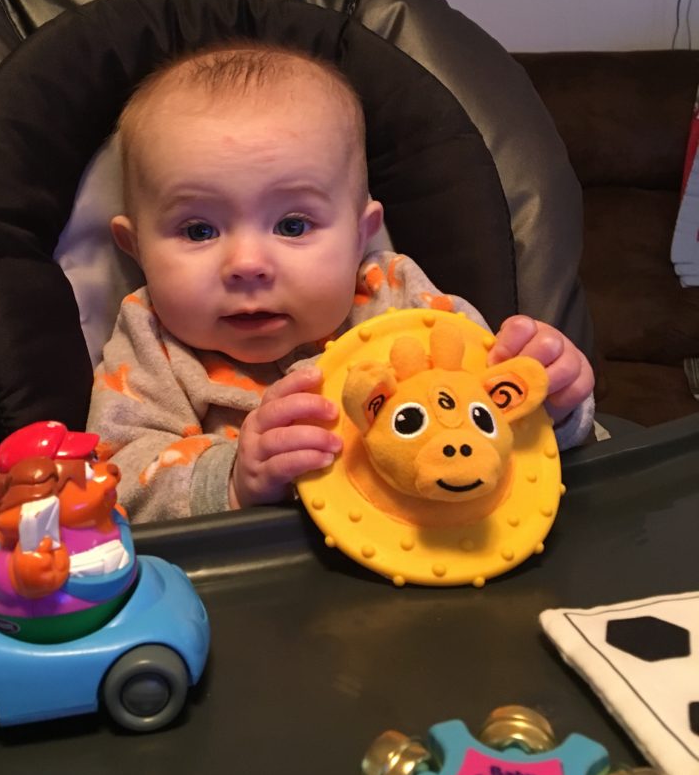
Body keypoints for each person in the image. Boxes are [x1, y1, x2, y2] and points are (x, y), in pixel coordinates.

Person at [87, 43, 594, 522]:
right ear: (136, 250)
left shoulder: (398, 298)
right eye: (199, 230)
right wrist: (236, 477)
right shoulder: (151, 341)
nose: (246, 263)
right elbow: (112, 480)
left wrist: (551, 405)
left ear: (360, 235)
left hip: (437, 547)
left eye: (292, 225)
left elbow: (488, 419)